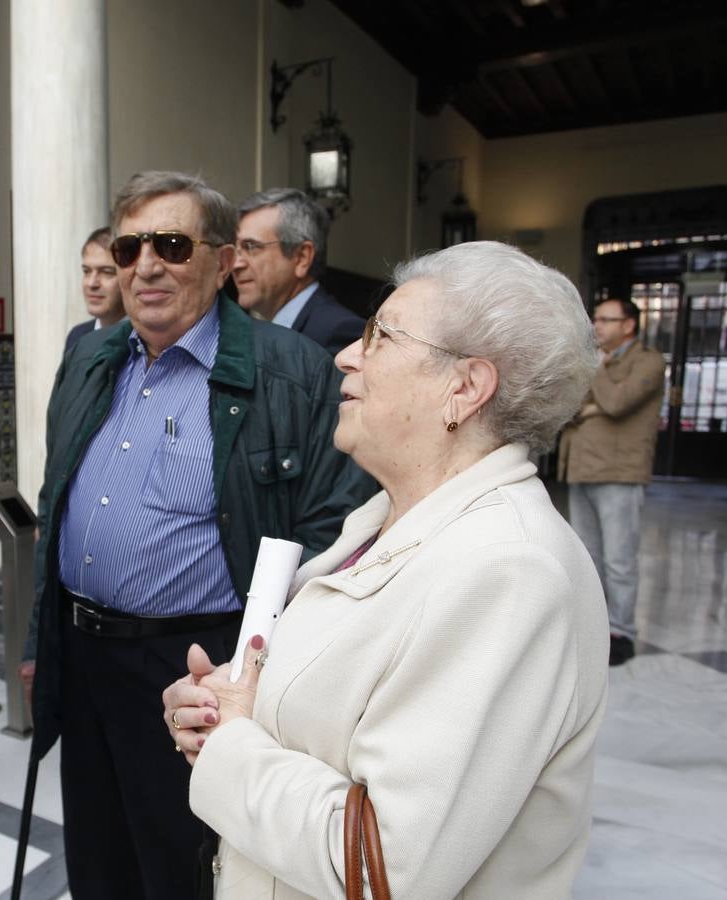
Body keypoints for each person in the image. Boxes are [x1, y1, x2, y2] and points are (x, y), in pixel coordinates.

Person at [163, 241, 609, 899]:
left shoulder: (509, 572)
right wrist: (227, 710)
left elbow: (386, 868)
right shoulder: (381, 520)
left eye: (380, 336)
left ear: (465, 387)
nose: (345, 355)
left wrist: (230, 748)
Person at [24, 170, 373, 900]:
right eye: (128, 249)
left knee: (182, 863)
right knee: (98, 854)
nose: (146, 265)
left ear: (220, 263)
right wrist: (40, 640)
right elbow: (53, 506)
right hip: (85, 657)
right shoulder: (90, 360)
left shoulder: (294, 374)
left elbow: (330, 538)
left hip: (192, 667)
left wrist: (257, 677)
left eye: (172, 245)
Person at [558, 296, 666, 666]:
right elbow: (569, 408)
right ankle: (594, 626)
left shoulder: (649, 361)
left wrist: (599, 377)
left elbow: (619, 403)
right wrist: (589, 409)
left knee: (620, 558)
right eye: (595, 318)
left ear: (629, 325)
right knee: (588, 555)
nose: (596, 326)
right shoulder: (593, 362)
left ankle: (621, 632)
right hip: (581, 466)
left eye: (605, 319)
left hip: (620, 471)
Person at [232, 187, 363, 355]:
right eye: (235, 249)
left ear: (302, 257)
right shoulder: (261, 332)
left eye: (251, 247)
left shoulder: (338, 333)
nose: (236, 264)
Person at [65, 226, 125, 352]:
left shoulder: (146, 342)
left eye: (107, 272)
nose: (92, 283)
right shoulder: (77, 336)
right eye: (86, 271)